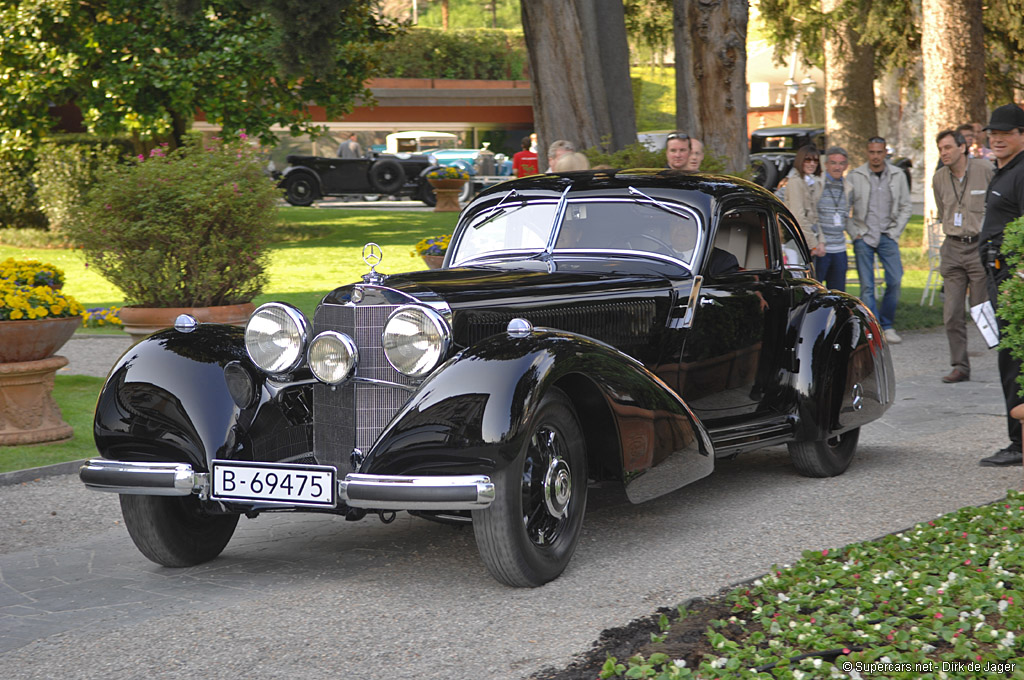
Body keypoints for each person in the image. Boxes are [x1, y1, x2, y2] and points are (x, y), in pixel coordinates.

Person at [977, 104, 1024, 466]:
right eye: (993, 132)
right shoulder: (1004, 170)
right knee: (1010, 359)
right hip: (999, 278)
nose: (997, 138)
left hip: (1014, 283)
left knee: (1017, 363)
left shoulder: (1022, 173)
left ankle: (1020, 443)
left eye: (1006, 132)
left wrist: (1017, 281)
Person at [932, 129, 994, 384]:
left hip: (979, 246)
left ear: (962, 147)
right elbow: (942, 210)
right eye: (940, 149)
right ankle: (960, 366)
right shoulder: (938, 179)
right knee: (952, 313)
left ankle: (1009, 359)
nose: (944, 153)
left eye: (947, 147)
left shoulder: (985, 169)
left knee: (983, 310)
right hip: (953, 248)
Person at [847, 136, 912, 344]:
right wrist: (854, 232)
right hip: (864, 235)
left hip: (887, 234)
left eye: (879, 152)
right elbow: (842, 208)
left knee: (895, 280)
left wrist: (895, 232)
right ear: (867, 153)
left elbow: (906, 207)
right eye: (872, 152)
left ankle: (887, 324)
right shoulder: (855, 176)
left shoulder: (898, 175)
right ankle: (873, 329)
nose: (875, 156)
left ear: (886, 153)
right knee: (867, 286)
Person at [814, 147, 852, 291]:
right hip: (821, 248)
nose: (837, 167)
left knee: (838, 293)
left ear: (846, 166)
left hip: (840, 249)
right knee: (816, 292)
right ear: (826, 165)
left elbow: (847, 217)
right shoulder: (817, 184)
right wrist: (817, 240)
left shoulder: (849, 188)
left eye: (841, 163)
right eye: (833, 163)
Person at [783, 145, 824, 256]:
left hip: (810, 240)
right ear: (801, 160)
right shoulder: (795, 182)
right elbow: (798, 216)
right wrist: (814, 244)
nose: (812, 164)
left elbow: (816, 216)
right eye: (808, 160)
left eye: (815, 160)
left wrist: (821, 242)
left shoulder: (814, 182)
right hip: (797, 241)